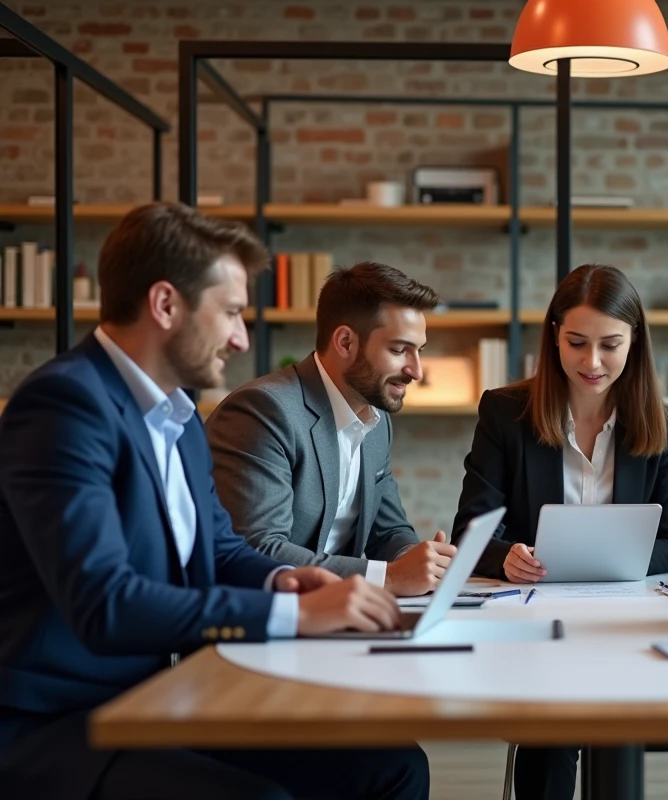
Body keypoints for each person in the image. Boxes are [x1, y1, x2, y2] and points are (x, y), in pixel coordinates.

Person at [0, 203, 427, 800]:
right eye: (229, 312)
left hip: (152, 696)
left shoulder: (177, 416)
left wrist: (287, 581)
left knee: (393, 766)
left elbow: (222, 550)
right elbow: (105, 603)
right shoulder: (66, 407)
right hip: (61, 719)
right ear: (166, 305)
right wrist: (293, 617)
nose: (241, 337)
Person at [451, 263, 668, 799]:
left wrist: (623, 561)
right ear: (554, 334)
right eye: (577, 342)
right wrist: (505, 555)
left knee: (614, 722)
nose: (593, 362)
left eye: (610, 344)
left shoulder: (664, 423)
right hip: (537, 622)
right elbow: (470, 530)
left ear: (635, 343)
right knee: (553, 727)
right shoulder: (505, 412)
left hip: (626, 621)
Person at [207, 261, 456, 597]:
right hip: (267, 623)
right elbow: (259, 548)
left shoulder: (376, 420)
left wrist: (418, 562)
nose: (416, 371)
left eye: (419, 351)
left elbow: (388, 531)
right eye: (399, 350)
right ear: (345, 342)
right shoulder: (264, 411)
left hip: (335, 616)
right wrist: (389, 577)